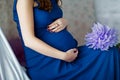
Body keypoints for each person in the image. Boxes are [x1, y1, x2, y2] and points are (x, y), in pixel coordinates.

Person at [13, 0, 120, 80]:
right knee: (106, 56)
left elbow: (51, 27)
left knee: (109, 52)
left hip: (69, 57)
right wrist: (63, 56)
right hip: (48, 64)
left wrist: (64, 22)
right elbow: (29, 40)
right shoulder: (24, 1)